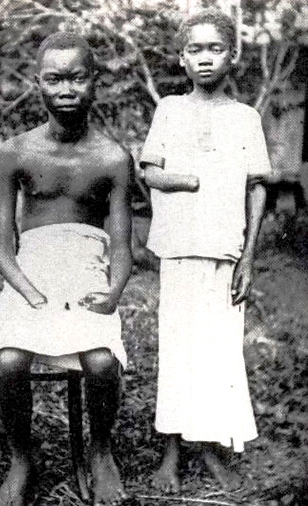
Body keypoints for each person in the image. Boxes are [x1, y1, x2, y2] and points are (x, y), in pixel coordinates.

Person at [0, 32, 133, 506]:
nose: (66, 88)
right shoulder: (16, 152)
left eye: (77, 77)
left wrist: (112, 292)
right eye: (54, 78)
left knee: (101, 361)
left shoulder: (113, 158)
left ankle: (100, 449)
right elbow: (1, 248)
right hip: (30, 270)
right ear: (38, 84)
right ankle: (22, 456)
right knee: (9, 359)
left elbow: (122, 246)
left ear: (94, 83)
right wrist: (29, 292)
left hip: (88, 267)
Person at [140, 8, 271, 493]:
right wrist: (188, 178)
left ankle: (209, 445)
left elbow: (258, 187)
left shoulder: (245, 119)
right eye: (194, 49)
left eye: (215, 49)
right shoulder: (170, 110)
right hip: (179, 249)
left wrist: (250, 259)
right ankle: (172, 452)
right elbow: (148, 171)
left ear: (232, 56)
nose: (205, 59)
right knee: (179, 347)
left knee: (217, 351)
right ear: (181, 57)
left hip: (226, 252)